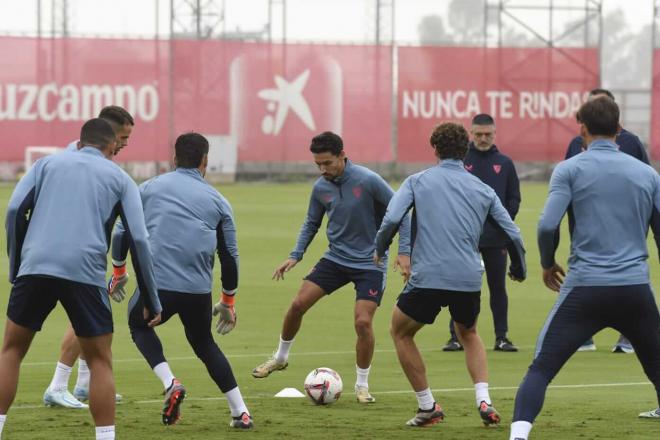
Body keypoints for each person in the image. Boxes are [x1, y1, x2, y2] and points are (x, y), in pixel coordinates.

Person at [509, 97, 660, 440]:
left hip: (584, 289)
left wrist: (548, 263)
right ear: (619, 129)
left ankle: (518, 435)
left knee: (541, 368)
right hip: (634, 289)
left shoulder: (570, 169)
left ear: (582, 130)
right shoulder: (648, 174)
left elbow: (548, 226)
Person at [0, 118, 161, 440]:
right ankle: (104, 437)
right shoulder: (120, 178)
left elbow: (15, 210)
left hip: (36, 266)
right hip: (84, 272)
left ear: (81, 140)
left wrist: (17, 266)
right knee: (100, 360)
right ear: (111, 144)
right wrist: (150, 298)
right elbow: (139, 239)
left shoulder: (46, 165)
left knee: (12, 351)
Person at [375, 122, 526, 427]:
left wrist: (380, 247)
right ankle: (484, 399)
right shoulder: (482, 188)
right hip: (468, 278)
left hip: (428, 276)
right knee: (468, 333)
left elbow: (392, 217)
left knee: (400, 331)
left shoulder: (418, 181)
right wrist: (519, 267)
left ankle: (427, 405)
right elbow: (512, 232)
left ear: (435, 149)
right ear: (464, 150)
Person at [251, 131, 411, 404]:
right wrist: (295, 255)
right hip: (335, 259)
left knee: (362, 322)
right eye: (318, 165)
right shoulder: (320, 187)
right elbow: (311, 223)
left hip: (369, 263)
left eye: (328, 163)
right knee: (297, 304)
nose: (323, 170)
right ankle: (280, 358)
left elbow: (402, 212)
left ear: (342, 156)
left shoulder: (369, 180)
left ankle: (362, 385)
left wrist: (404, 252)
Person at [112, 132, 253, 428]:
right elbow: (230, 256)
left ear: (174, 159)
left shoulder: (147, 188)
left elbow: (122, 232)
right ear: (205, 161)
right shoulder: (219, 201)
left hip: (158, 288)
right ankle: (240, 411)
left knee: (138, 325)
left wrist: (118, 270)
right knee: (204, 344)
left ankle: (170, 382)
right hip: (198, 291)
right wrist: (228, 300)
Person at [43, 106, 135, 409]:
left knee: (96, 318)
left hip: (88, 251)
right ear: (107, 133)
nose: (124, 144)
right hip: (71, 255)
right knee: (86, 319)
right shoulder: (76, 160)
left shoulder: (98, 161)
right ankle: (57, 385)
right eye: (122, 137)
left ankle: (84, 384)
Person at [565, 88, 650, 354]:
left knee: (628, 275)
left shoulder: (631, 142)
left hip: (626, 227)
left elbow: (647, 182)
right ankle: (584, 335)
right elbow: (565, 187)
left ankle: (628, 336)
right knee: (584, 275)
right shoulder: (574, 144)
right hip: (585, 227)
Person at [442, 113, 521, 353]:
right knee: (459, 286)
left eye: (488, 134)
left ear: (494, 134)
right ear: (471, 133)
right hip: (465, 239)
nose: (483, 138)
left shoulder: (505, 163)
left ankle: (502, 337)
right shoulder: (459, 161)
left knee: (497, 287)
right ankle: (455, 337)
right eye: (478, 134)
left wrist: (503, 223)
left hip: (496, 239)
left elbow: (514, 198)